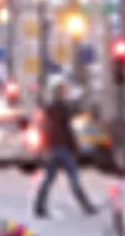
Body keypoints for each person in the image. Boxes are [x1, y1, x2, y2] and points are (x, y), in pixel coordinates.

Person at [33, 88, 95, 218]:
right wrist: (76, 148)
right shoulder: (64, 111)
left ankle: (39, 206)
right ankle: (86, 206)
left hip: (54, 148)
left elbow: (45, 120)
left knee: (49, 178)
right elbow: (69, 130)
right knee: (73, 176)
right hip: (64, 148)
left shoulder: (50, 110)